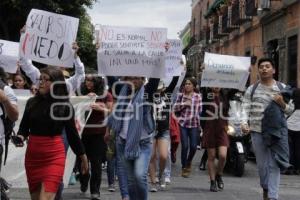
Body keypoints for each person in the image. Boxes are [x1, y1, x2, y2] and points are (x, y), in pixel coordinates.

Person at [15, 66, 89, 200]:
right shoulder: (32, 102)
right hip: (33, 157)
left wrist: (82, 156)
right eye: (40, 79)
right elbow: (24, 128)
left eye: (45, 79)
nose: (41, 82)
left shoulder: (65, 106)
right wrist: (20, 136)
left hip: (53, 156)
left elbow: (72, 135)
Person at [241, 58, 294, 200]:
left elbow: (290, 110)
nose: (264, 69)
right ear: (258, 71)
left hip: (277, 132)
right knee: (262, 166)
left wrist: (282, 103)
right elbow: (245, 107)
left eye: (267, 66)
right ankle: (265, 186)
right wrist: (244, 122)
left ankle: (273, 196)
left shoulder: (282, 88)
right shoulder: (252, 89)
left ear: (274, 70)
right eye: (261, 67)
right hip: (257, 132)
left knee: (274, 164)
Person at [107, 76, 159, 200]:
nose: (133, 81)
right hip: (123, 141)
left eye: (136, 78)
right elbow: (110, 75)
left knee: (140, 176)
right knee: (130, 180)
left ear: (142, 79)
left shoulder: (147, 92)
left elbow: (155, 79)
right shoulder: (121, 90)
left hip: (143, 142)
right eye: (130, 78)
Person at [78, 74, 113, 200]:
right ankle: (83, 180)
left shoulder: (106, 95)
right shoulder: (81, 93)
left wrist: (99, 107)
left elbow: (111, 111)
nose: (88, 82)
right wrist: (83, 100)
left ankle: (95, 190)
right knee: (82, 161)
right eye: (86, 80)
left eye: (91, 80)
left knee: (96, 163)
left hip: (98, 133)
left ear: (97, 82)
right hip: (82, 133)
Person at [149, 77, 179, 191]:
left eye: (159, 88)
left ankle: (161, 175)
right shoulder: (148, 95)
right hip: (151, 130)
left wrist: (179, 70)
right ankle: (153, 182)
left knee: (163, 156)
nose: (157, 90)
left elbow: (174, 82)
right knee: (151, 156)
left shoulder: (167, 95)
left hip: (163, 130)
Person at [201, 87, 230, 192]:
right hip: (209, 128)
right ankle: (212, 181)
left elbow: (236, 87)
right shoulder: (207, 95)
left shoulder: (226, 95)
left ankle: (219, 174)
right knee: (211, 156)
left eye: (219, 83)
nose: (216, 86)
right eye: (214, 83)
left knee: (223, 155)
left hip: (222, 128)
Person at [173, 77, 202, 178]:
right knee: (185, 146)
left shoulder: (198, 97)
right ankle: (184, 167)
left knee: (194, 146)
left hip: (194, 124)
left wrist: (200, 125)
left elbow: (200, 111)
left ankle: (189, 162)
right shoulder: (181, 95)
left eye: (189, 84)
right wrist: (185, 104)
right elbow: (175, 107)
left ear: (193, 86)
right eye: (186, 84)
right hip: (183, 124)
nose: (187, 85)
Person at [287, 88, 300, 174]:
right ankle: (298, 169)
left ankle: (290, 168)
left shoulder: (291, 102)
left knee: (289, 148)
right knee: (298, 149)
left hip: (289, 127)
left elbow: (286, 112)